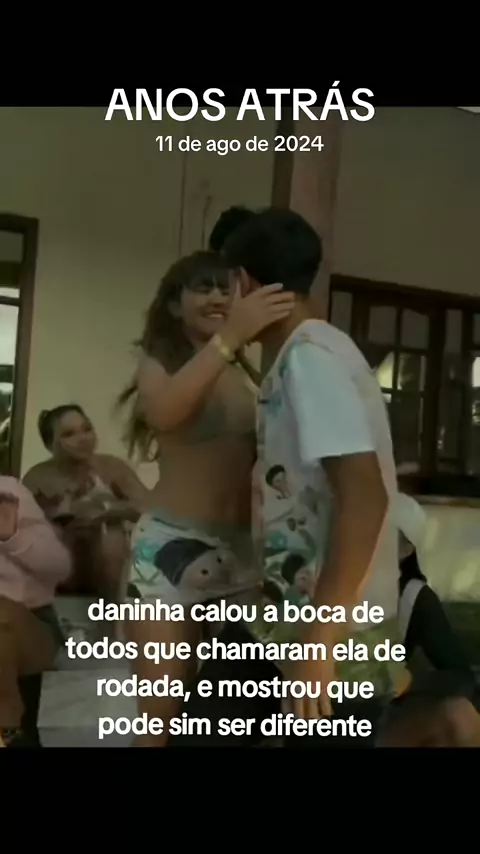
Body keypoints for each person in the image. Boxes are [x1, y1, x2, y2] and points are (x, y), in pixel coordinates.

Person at [117, 249, 295, 746]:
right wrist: (230, 336)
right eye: (202, 288)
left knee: (236, 719)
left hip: (242, 557)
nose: (217, 296)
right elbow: (165, 413)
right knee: (161, 719)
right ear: (175, 305)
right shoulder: (158, 365)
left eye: (225, 288)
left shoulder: (247, 373)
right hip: (169, 554)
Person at [23, 405, 149, 599]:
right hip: (58, 576)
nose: (83, 438)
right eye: (69, 434)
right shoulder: (38, 478)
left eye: (87, 429)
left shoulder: (111, 468)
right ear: (50, 445)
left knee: (112, 532)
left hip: (103, 573)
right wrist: (57, 512)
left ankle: (112, 611)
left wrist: (108, 509)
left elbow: (150, 509)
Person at [0, 477, 72, 746]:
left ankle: (11, 730)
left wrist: (12, 538)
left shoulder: (7, 493)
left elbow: (60, 567)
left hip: (30, 621)